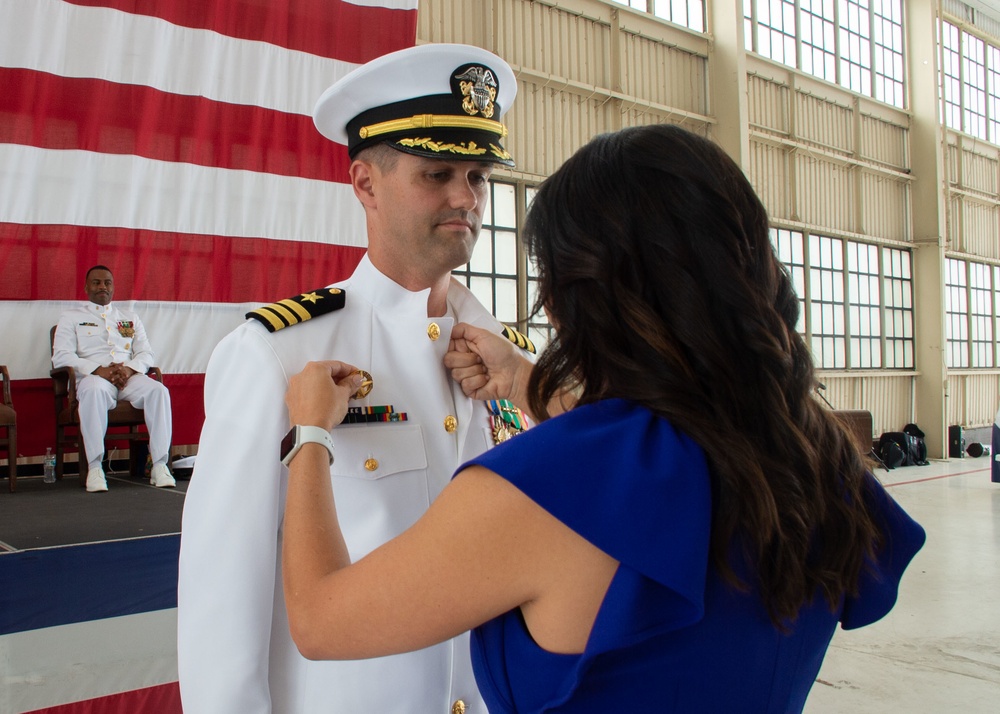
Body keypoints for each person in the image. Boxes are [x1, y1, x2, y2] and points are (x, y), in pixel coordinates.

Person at [278, 124, 926, 712]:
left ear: (571, 294)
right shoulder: (811, 454)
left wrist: (308, 435)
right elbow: (668, 442)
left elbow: (319, 620)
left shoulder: (535, 492)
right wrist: (525, 383)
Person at [177, 43, 528, 714]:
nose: (466, 197)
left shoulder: (508, 360)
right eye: (437, 173)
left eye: (478, 176)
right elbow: (222, 596)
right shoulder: (278, 353)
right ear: (366, 184)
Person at [52, 265, 175, 492]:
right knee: (94, 391)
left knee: (159, 391)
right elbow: (61, 356)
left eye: (107, 283)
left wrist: (128, 370)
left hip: (128, 378)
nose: (102, 287)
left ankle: (159, 465)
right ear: (87, 287)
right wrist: (98, 369)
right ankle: (96, 466)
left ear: (113, 287)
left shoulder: (128, 318)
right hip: (93, 378)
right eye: (97, 282)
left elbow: (146, 353)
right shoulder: (71, 317)